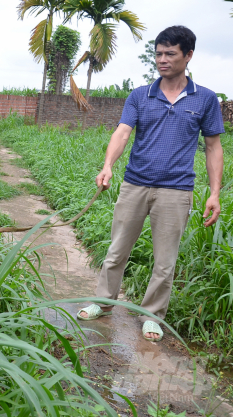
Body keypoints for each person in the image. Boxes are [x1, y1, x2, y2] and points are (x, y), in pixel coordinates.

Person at [76, 26, 225, 342]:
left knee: (164, 261)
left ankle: (151, 316)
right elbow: (122, 133)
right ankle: (103, 303)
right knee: (117, 251)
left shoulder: (206, 99)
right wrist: (107, 166)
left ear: (188, 55)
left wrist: (214, 193)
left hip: (176, 191)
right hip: (134, 185)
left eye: (170, 53)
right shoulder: (140, 95)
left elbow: (213, 146)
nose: (162, 59)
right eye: (158, 53)